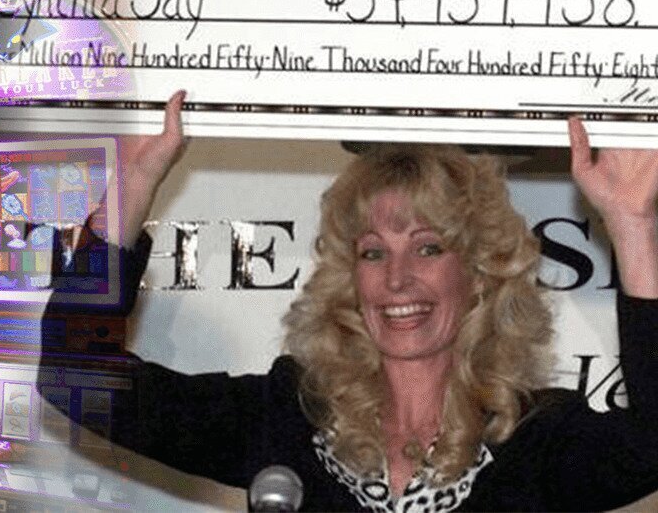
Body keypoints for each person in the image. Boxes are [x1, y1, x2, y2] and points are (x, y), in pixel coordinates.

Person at [47, 91, 658, 511]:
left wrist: (631, 228)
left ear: (478, 273)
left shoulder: (533, 439)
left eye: (426, 248)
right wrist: (128, 192)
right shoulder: (290, 420)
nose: (396, 280)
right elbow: (75, 376)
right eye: (372, 253)